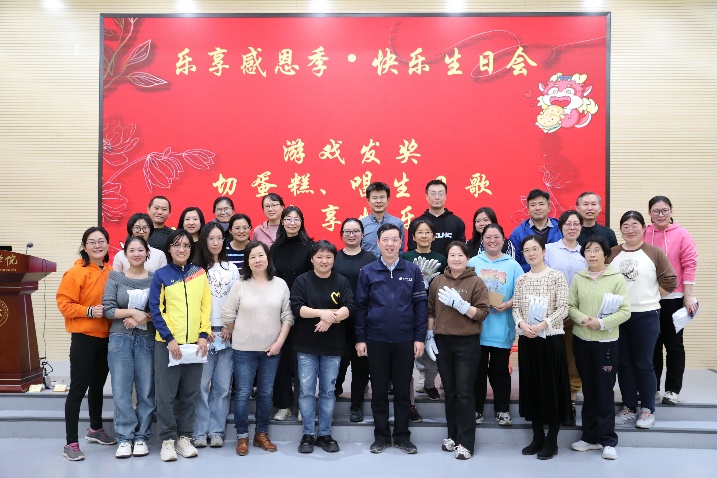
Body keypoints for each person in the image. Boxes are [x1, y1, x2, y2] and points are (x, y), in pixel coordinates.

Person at [355, 223, 427, 455]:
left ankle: (403, 436)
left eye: (395, 239)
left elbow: (420, 305)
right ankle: (381, 437)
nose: (390, 244)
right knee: (378, 391)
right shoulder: (368, 271)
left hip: (405, 339)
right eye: (385, 239)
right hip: (376, 339)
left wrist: (419, 337)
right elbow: (361, 307)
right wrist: (361, 338)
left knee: (403, 391)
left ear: (401, 243)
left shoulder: (412, 271)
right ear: (378, 242)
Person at [221, 241, 294, 456]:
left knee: (266, 393)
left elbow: (287, 316)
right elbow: (227, 314)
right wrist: (238, 333)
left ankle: (261, 434)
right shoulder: (240, 284)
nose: (257, 260)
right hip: (243, 349)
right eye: (252, 257)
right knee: (243, 393)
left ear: (268, 258)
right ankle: (242, 436)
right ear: (247, 261)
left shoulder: (280, 284)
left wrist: (279, 343)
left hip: (271, 349)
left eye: (261, 255)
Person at [608, 211, 677, 429]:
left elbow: (671, 281)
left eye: (634, 225)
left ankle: (648, 409)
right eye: (625, 226)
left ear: (644, 228)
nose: (630, 230)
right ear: (621, 229)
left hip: (646, 316)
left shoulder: (654, 253)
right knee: (623, 363)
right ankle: (629, 406)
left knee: (644, 362)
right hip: (618, 316)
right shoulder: (612, 253)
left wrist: (652, 297)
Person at [149, 229, 211, 462]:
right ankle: (167, 440)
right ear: (169, 248)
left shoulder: (199, 274)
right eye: (176, 245)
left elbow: (205, 305)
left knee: (190, 393)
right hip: (167, 345)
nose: (181, 249)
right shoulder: (161, 275)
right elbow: (155, 310)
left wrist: (203, 335)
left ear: (191, 249)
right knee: (165, 395)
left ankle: (184, 438)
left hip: (195, 345)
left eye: (186, 245)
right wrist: (169, 339)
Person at [568, 236, 631, 460]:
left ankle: (608, 440)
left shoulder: (616, 278)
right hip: (582, 340)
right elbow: (571, 306)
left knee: (604, 390)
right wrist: (584, 319)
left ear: (605, 254)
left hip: (606, 343)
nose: (592, 254)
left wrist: (602, 323)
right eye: (588, 250)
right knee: (589, 389)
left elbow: (625, 311)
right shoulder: (579, 278)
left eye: (596, 250)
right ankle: (589, 437)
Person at [57, 226, 116, 461]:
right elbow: (64, 305)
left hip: (106, 338)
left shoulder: (112, 271)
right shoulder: (75, 272)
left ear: (108, 244)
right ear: (84, 246)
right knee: (78, 389)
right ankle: (70, 442)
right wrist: (89, 311)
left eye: (101, 241)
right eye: (92, 242)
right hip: (83, 338)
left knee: (98, 386)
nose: (97, 245)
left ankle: (95, 429)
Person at [291, 240, 355, 454]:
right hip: (306, 346)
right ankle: (308, 433)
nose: (324, 261)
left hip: (332, 347)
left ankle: (325, 434)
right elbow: (297, 308)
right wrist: (324, 314)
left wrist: (330, 319)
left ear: (334, 259)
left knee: (328, 392)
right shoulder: (302, 280)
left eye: (328, 257)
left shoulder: (341, 281)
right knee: (307, 392)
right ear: (312, 259)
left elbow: (349, 308)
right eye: (319, 256)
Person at [428, 241, 490, 460]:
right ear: (447, 258)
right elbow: (431, 310)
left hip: (467, 343)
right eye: (452, 255)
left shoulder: (476, 282)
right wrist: (429, 334)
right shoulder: (438, 281)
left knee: (464, 393)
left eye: (460, 255)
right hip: (442, 342)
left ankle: (466, 442)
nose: (456, 259)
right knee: (450, 392)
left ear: (467, 258)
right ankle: (452, 436)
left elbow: (482, 313)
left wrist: (463, 306)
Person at [512, 235, 571, 460]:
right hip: (528, 339)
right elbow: (516, 308)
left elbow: (563, 307)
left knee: (551, 388)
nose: (531, 253)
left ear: (544, 251)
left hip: (550, 338)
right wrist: (522, 324)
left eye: (535, 249)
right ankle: (537, 436)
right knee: (532, 387)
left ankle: (552, 439)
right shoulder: (522, 279)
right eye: (527, 250)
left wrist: (543, 324)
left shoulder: (556, 276)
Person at [102, 236, 155, 459]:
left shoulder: (155, 278)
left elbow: (162, 311)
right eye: (131, 250)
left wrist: (142, 318)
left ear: (147, 253)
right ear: (125, 254)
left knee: (146, 390)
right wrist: (133, 312)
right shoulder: (115, 277)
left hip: (147, 340)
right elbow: (108, 309)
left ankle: (142, 436)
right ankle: (124, 437)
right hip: (119, 340)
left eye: (140, 250)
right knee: (122, 391)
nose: (136, 254)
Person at [467, 224, 523, 427]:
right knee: (478, 371)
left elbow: (521, 292)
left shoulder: (513, 265)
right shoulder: (473, 262)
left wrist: (507, 304)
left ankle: (502, 410)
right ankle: (476, 410)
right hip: (477, 328)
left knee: (500, 371)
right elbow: (465, 290)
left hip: (502, 328)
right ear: (482, 239)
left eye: (496, 237)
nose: (492, 240)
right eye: (488, 237)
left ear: (503, 239)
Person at [192, 223, 240, 449]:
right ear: (204, 240)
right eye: (211, 238)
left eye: (219, 238)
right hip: (203, 334)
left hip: (226, 333)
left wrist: (230, 327)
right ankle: (199, 431)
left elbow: (236, 301)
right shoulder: (194, 269)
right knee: (201, 385)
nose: (215, 242)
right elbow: (192, 304)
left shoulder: (231, 268)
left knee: (222, 386)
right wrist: (203, 330)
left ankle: (217, 431)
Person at [646, 196, 698, 405]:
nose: (660, 215)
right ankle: (652, 388)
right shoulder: (644, 233)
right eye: (656, 211)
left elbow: (689, 264)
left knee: (674, 346)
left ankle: (672, 391)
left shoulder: (682, 234)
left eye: (664, 210)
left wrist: (688, 296)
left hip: (674, 298)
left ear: (671, 211)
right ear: (649, 213)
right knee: (653, 346)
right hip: (649, 299)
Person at [545, 210, 588, 425]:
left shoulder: (586, 251)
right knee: (551, 358)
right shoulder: (549, 250)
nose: (572, 227)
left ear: (581, 227)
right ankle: (552, 402)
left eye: (576, 224)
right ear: (560, 227)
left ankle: (570, 402)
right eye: (568, 224)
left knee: (572, 358)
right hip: (551, 313)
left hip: (577, 312)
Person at [270, 205, 313, 420]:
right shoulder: (274, 248)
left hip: (303, 310)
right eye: (288, 219)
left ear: (301, 222)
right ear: (282, 222)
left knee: (303, 359)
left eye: (296, 219)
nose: (292, 223)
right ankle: (284, 405)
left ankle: (303, 405)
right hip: (278, 310)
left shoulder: (310, 247)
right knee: (282, 359)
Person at [333, 218, 375, 423]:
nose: (351, 235)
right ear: (341, 234)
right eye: (347, 231)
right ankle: (333, 395)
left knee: (360, 365)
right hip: (337, 321)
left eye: (355, 231)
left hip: (363, 320)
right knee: (337, 363)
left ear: (362, 234)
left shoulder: (371, 259)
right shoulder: (334, 257)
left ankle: (356, 405)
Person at [400, 217, 446, 400]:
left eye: (428, 232)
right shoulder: (405, 257)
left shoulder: (441, 259)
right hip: (409, 311)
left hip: (433, 312)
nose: (424, 236)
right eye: (420, 232)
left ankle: (429, 382)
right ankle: (418, 380)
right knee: (412, 350)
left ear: (434, 236)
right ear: (413, 236)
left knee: (432, 351)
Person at [509, 189, 562, 272]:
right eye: (533, 205)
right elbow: (513, 263)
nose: (537, 208)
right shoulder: (518, 233)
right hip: (529, 277)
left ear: (549, 207)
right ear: (528, 209)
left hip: (557, 277)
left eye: (541, 204)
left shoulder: (561, 229)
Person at [407, 179, 466, 254]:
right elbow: (412, 251)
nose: (437, 197)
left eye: (440, 194)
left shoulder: (456, 222)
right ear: (426, 196)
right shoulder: (416, 223)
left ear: (445, 196)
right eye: (433, 194)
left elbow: (461, 250)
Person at [360, 182, 406, 257]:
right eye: (374, 198)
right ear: (368, 200)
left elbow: (400, 251)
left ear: (388, 200)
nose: (378, 201)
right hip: (367, 264)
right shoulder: (361, 224)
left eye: (382, 197)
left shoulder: (398, 223)